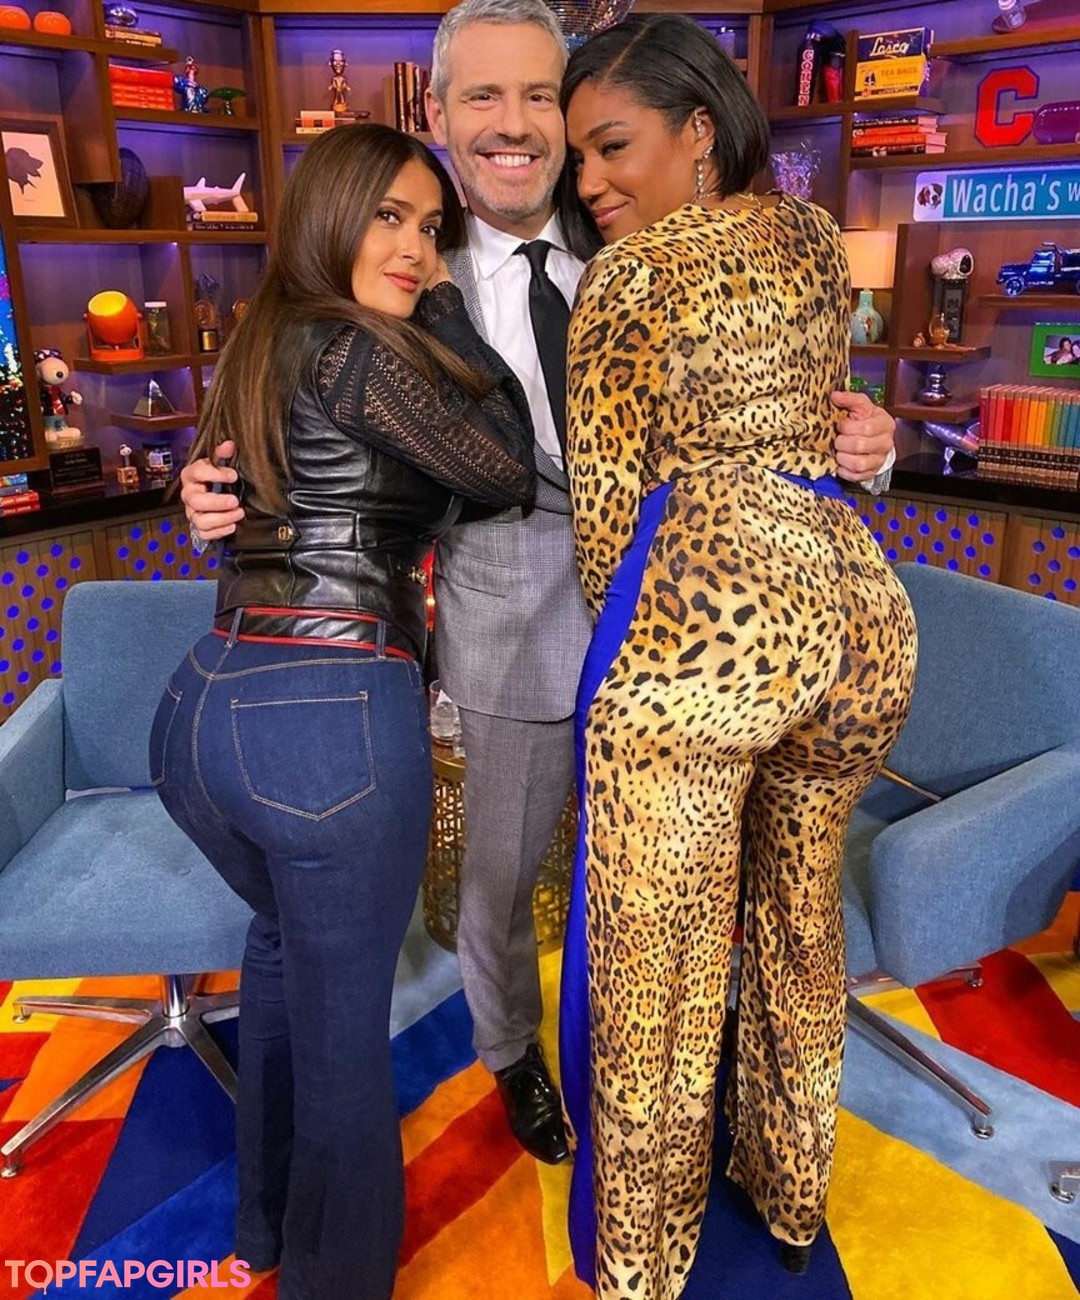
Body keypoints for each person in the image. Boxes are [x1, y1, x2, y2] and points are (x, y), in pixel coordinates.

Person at [174, 0, 898, 1171]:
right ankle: (510, 1049)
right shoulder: (403, 257)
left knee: (681, 884)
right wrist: (210, 483)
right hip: (510, 621)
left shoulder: (633, 218)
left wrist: (870, 442)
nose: (513, 125)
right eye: (482, 96)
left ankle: (679, 1071)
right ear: (439, 109)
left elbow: (783, 398)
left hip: (689, 635)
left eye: (538, 98)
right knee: (501, 878)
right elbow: (283, 384)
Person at [556, 16, 918, 1298]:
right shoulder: (817, 237)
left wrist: (645, 647)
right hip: (857, 621)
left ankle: (642, 1262)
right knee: (801, 914)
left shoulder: (628, 277)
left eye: (612, 146)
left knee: (655, 973)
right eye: (578, 159)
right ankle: (791, 1185)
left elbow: (607, 524)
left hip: (704, 637)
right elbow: (833, 427)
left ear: (698, 130)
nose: (591, 181)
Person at [149, 124, 535, 1300]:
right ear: (332, 213)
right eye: (391, 218)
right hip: (327, 718)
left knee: (278, 953)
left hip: (205, 709)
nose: (416, 248)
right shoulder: (362, 350)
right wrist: (452, 308)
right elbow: (505, 462)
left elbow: (243, 492)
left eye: (431, 228)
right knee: (345, 1050)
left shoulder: (262, 336)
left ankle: (264, 1229)